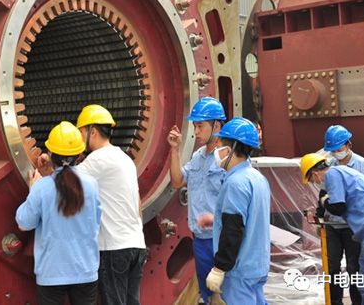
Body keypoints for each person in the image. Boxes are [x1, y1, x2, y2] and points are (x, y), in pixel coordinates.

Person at [39, 104, 146, 305]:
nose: (79, 139)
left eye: (81, 133)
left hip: (113, 248)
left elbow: (64, 183)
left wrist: (48, 165)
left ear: (93, 132)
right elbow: (137, 203)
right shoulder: (124, 159)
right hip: (136, 244)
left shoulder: (98, 159)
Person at [16, 121, 102, 305]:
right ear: (79, 155)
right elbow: (96, 223)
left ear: (50, 154)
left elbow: (23, 223)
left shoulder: (42, 187)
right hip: (85, 269)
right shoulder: (91, 185)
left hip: (52, 272)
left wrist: (32, 192)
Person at [301, 152, 364, 305]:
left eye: (312, 180)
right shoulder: (342, 171)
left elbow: (338, 207)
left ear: (314, 173)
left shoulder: (332, 175)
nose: (315, 183)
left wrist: (324, 202)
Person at [201, 117, 271, 305]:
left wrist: (219, 268)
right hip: (257, 268)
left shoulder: (235, 183)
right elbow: (251, 218)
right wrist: (216, 219)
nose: (216, 151)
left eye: (218, 145)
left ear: (229, 149)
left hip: (240, 272)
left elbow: (233, 229)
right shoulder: (257, 178)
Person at [167, 97, 226, 304]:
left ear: (216, 126)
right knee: (209, 295)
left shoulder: (227, 160)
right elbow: (177, 181)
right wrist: (175, 149)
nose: (196, 131)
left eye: (200, 126)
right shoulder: (197, 157)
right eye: (194, 126)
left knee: (228, 295)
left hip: (221, 240)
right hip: (200, 240)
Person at [322, 125, 364, 305]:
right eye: (332, 150)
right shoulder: (330, 166)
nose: (335, 153)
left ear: (348, 144)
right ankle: (335, 302)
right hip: (332, 225)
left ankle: (358, 302)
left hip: (353, 227)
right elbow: (325, 194)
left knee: (354, 267)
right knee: (332, 268)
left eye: (338, 148)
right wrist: (321, 216)